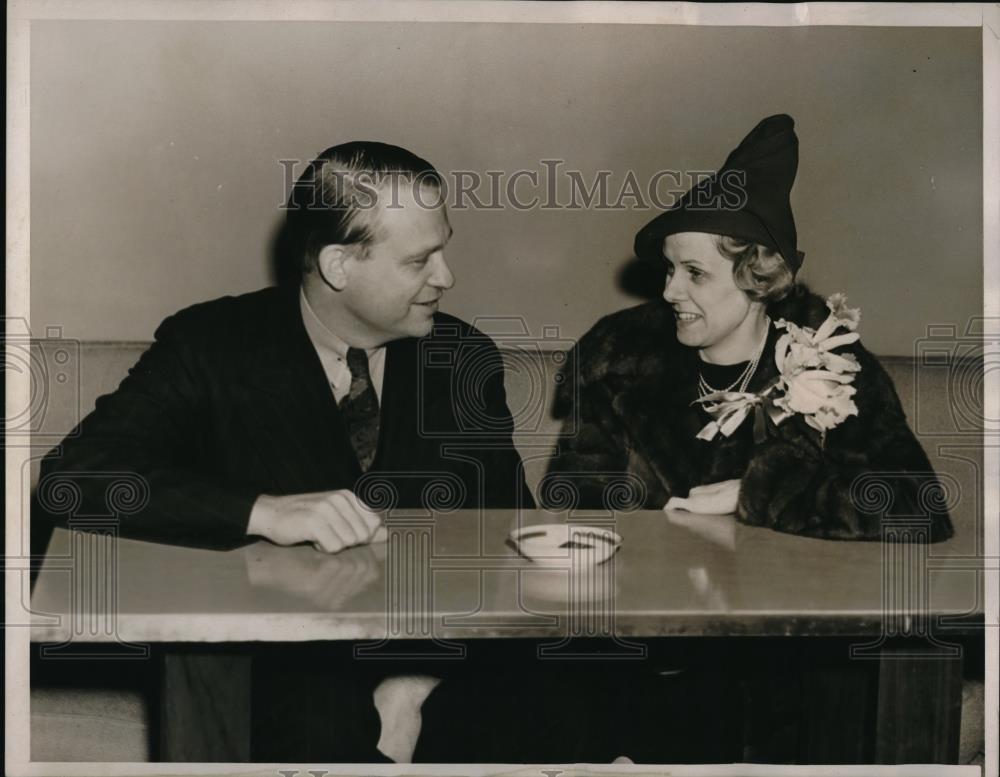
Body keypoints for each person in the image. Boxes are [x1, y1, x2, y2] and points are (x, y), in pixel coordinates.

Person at [34, 141, 534, 762]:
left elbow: (513, 539)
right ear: (338, 265)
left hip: (436, 668)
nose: (446, 277)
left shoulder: (462, 358)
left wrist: (415, 682)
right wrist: (262, 511)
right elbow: (73, 478)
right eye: (419, 260)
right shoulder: (211, 345)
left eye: (443, 249)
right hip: (268, 673)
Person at [542, 114, 953, 543]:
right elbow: (572, 504)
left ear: (756, 277)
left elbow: (921, 509)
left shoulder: (829, 363)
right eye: (669, 269)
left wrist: (758, 492)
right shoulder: (621, 363)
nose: (669, 291)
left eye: (695, 273)